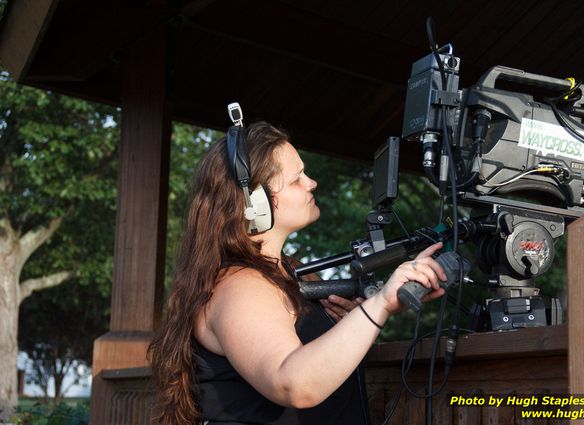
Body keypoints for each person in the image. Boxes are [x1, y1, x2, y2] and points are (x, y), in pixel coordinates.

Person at [147, 121, 447, 425]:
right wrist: (378, 305)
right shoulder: (240, 287)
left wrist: (354, 322)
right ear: (255, 203)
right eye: (296, 179)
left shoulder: (295, 274)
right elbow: (294, 384)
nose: (311, 183)